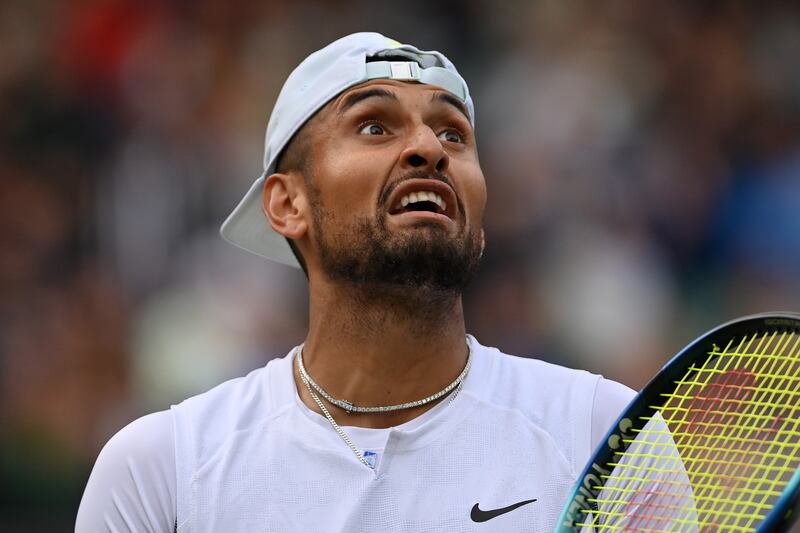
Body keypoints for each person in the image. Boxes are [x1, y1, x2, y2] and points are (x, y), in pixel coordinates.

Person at [76, 32, 635, 532]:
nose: (430, 149)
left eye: (454, 134)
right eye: (374, 126)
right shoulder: (158, 472)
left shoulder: (606, 434)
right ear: (288, 203)